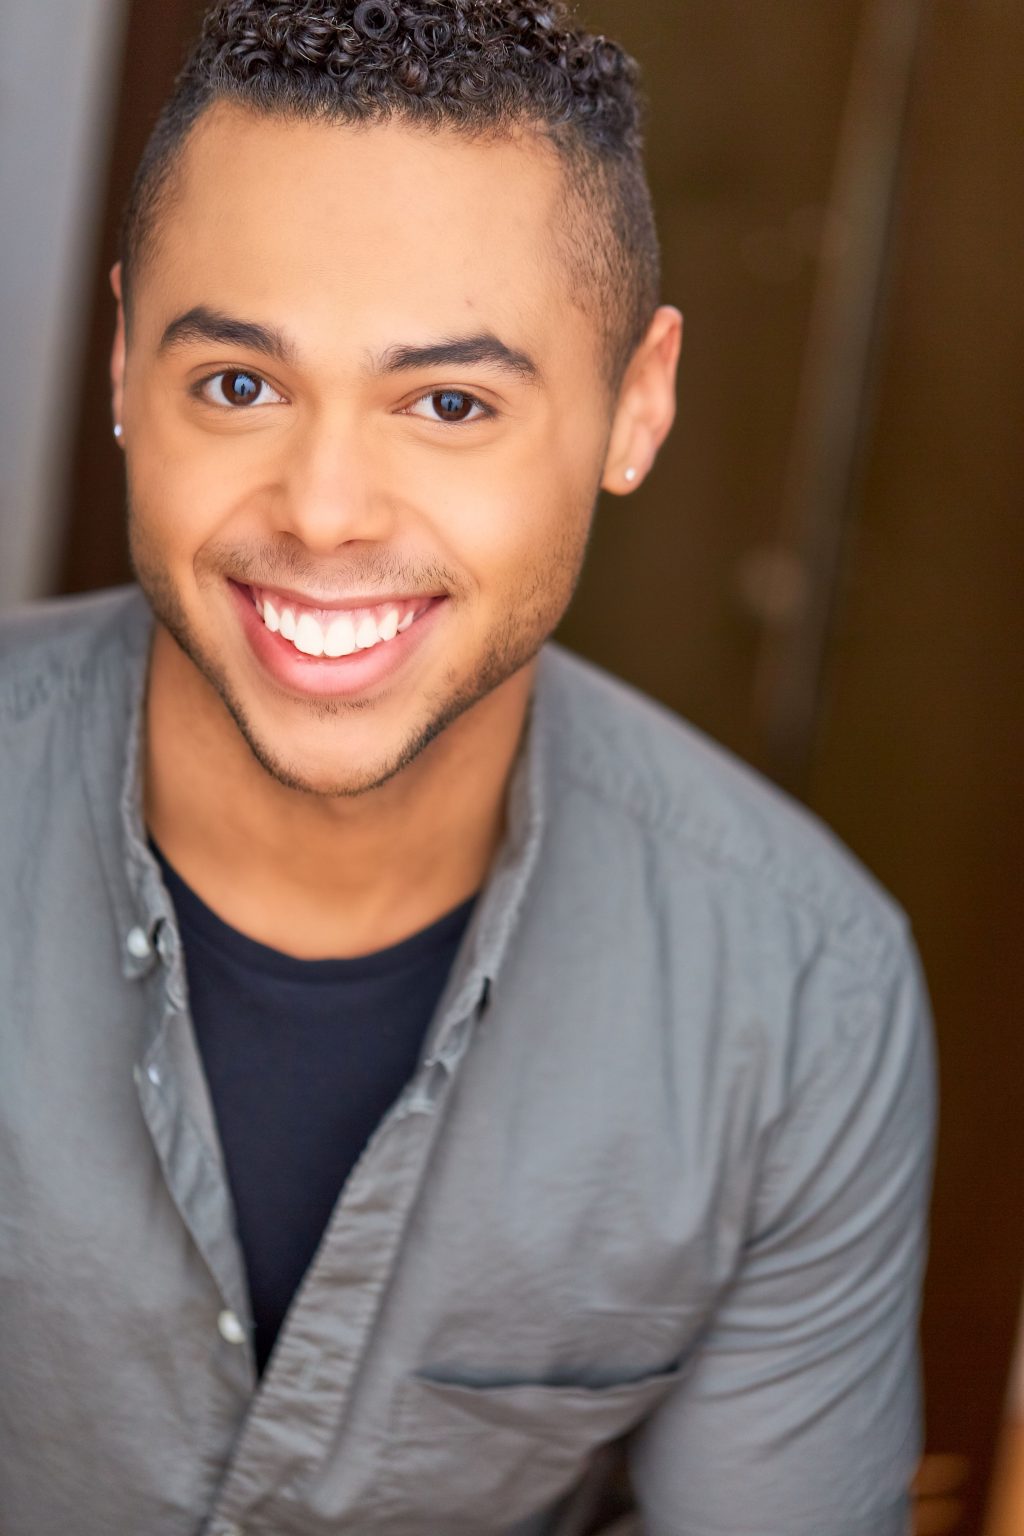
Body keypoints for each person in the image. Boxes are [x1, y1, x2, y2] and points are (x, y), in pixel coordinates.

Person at [0, 2, 937, 1533]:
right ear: (122, 361)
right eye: (238, 383)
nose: (323, 509)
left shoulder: (800, 995)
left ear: (636, 403)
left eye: (449, 404)